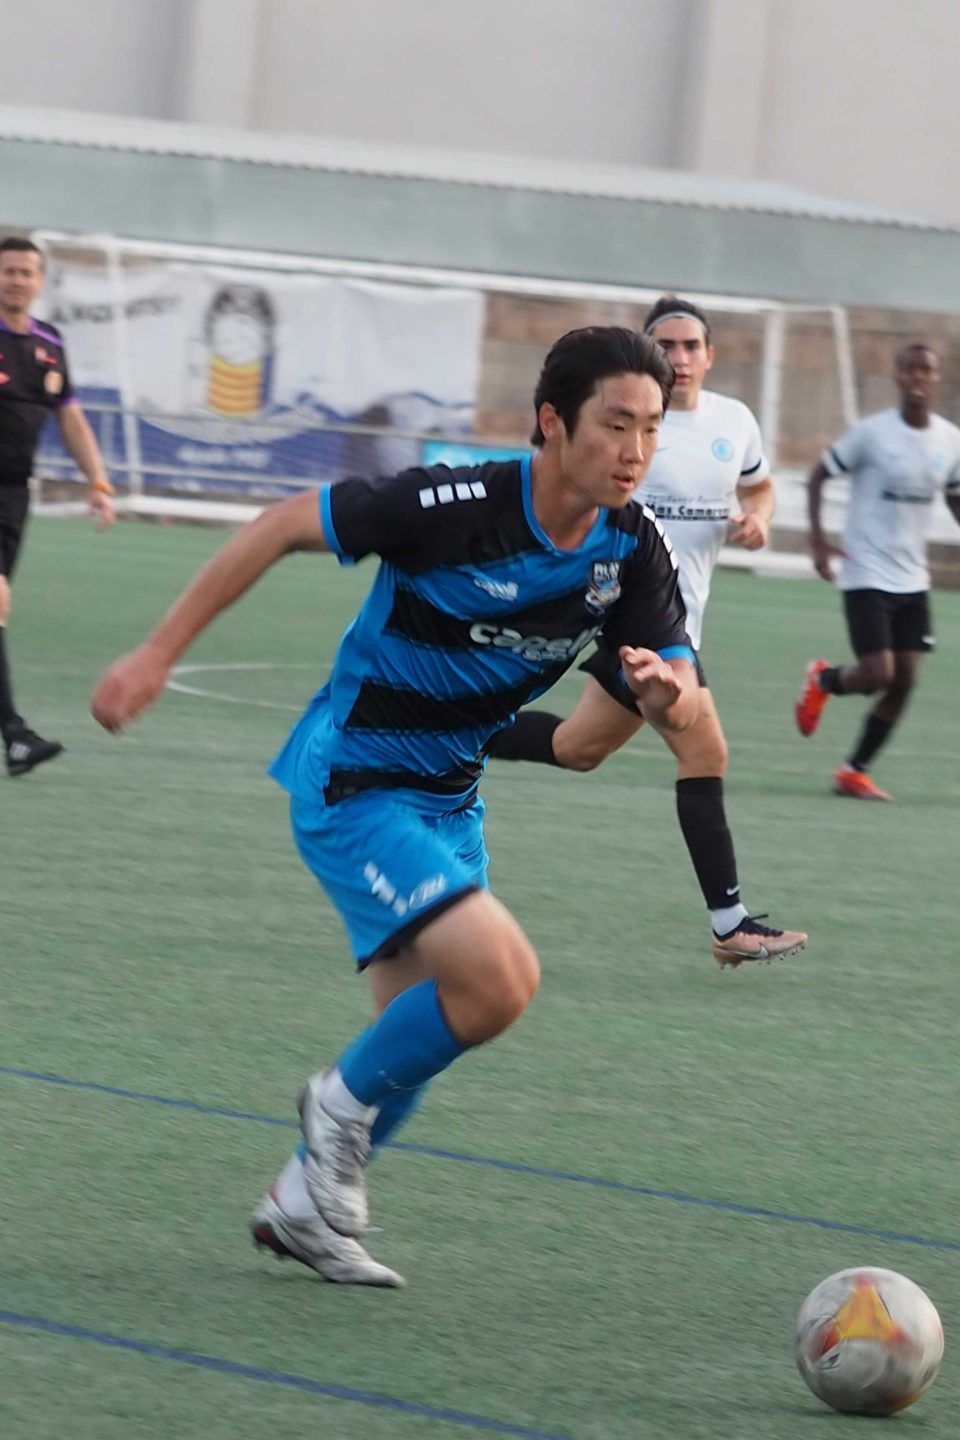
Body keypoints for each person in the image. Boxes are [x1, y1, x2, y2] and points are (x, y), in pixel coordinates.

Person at [91, 327, 699, 1287]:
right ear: (552, 423)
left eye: (652, 429)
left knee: (423, 1026)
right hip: (355, 780)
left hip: (447, 801)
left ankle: (302, 1207)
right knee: (501, 981)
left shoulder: (632, 551)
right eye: (615, 424)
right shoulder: (457, 503)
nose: (635, 451)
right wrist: (157, 653)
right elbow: (284, 523)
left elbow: (610, 730)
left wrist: (667, 700)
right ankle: (331, 1109)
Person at [486, 297, 805, 967]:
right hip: (630, 618)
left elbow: (760, 488)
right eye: (668, 346)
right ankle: (731, 923)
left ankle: (448, 729)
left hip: (678, 617)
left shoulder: (734, 424)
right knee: (705, 752)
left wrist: (760, 518)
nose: (681, 358)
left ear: (710, 355)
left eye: (692, 346)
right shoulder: (623, 425)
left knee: (578, 748)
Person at [793, 342, 960, 800]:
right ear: (897, 377)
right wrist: (817, 540)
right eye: (909, 369)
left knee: (906, 679)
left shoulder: (950, 441)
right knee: (878, 674)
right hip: (865, 570)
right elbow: (817, 476)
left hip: (913, 577)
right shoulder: (871, 434)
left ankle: (854, 770)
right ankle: (824, 680)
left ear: (936, 379)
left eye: (926, 370)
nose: (917, 378)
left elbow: (954, 496)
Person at [0, 236, 116, 776]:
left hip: (13, 496)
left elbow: (69, 417)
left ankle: (15, 737)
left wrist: (98, 482)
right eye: (8, 271)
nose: (17, 280)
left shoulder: (50, 343)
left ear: (41, 280)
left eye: (26, 271)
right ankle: (15, 736)